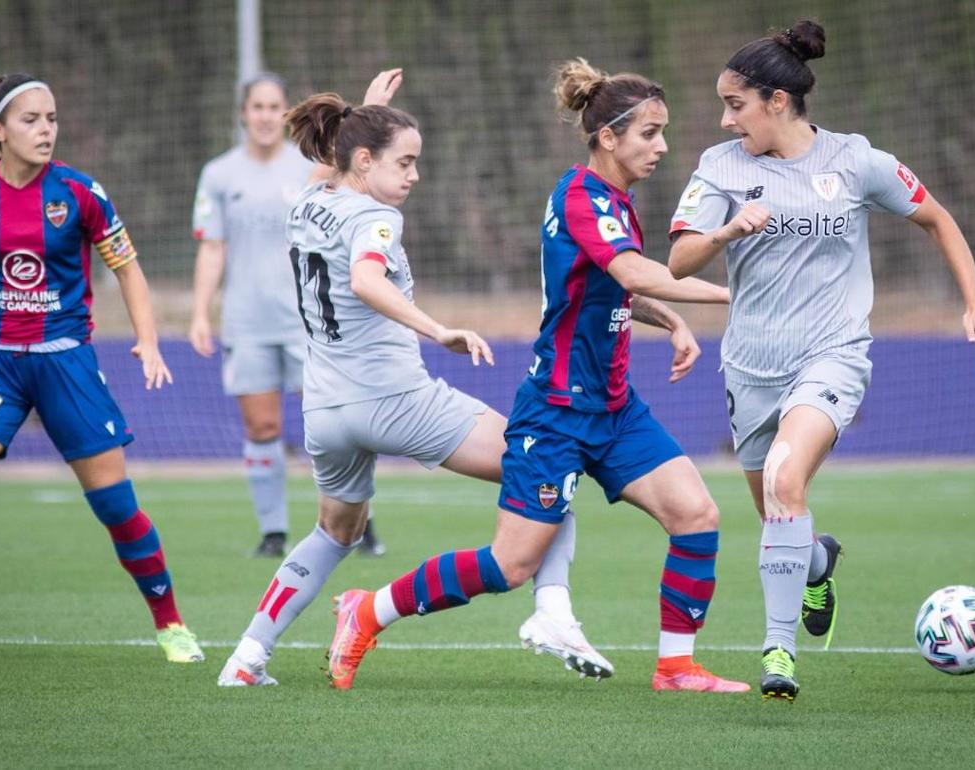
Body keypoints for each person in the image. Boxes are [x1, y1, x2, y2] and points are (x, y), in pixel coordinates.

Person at [323, 59, 745, 693]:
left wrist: (672, 322)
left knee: (696, 513)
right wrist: (736, 296)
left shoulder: (613, 202)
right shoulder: (581, 196)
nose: (662, 146)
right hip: (555, 410)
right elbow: (632, 274)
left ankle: (677, 667)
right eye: (649, 133)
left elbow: (611, 285)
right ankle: (369, 609)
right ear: (609, 137)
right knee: (509, 565)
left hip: (614, 406)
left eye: (663, 132)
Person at [218, 70, 628, 687]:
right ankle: (553, 612)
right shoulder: (376, 219)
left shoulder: (309, 199)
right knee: (546, 458)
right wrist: (436, 329)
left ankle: (247, 658)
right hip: (393, 399)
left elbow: (331, 173)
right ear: (362, 160)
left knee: (337, 531)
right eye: (404, 162)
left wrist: (369, 111)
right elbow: (365, 279)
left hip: (326, 411)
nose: (413, 175)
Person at [667, 20, 975, 700]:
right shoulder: (720, 167)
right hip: (749, 368)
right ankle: (816, 563)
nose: (723, 118)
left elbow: (937, 218)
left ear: (777, 101)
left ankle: (778, 654)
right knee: (777, 516)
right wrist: (730, 228)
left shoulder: (856, 162)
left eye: (735, 104)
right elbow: (676, 261)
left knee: (789, 482)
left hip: (833, 355)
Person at [0, 73, 204, 667]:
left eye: (51, 118)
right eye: (31, 120)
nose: (46, 129)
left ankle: (171, 624)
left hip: (65, 363)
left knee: (116, 508)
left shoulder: (81, 193)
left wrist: (149, 341)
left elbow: (127, 268)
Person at [190, 72, 385, 558]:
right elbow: (213, 249)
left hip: (310, 322)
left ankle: (360, 521)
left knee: (339, 421)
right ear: (243, 113)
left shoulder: (309, 168)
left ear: (285, 113)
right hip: (246, 322)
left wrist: (370, 107)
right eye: (256, 106)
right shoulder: (219, 175)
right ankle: (273, 531)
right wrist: (199, 312)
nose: (265, 115)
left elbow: (353, 161)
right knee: (262, 429)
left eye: (274, 106)